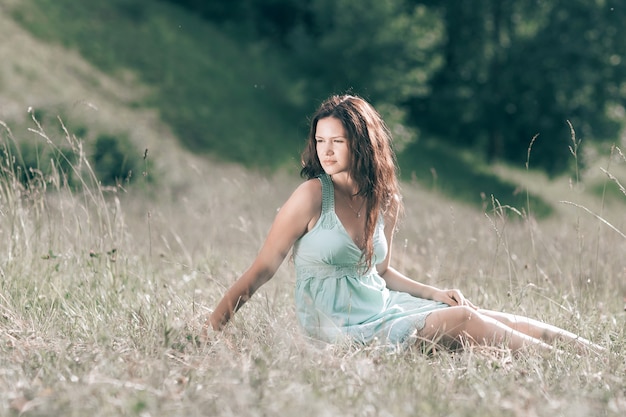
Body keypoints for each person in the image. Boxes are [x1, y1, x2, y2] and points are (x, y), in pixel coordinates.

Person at [206, 94, 603, 355]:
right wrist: (211, 330)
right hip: (339, 327)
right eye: (320, 140)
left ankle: (595, 355)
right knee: (464, 321)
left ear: (361, 143)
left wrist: (433, 292)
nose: (325, 150)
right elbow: (259, 272)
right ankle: (561, 362)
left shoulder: (384, 199)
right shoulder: (311, 195)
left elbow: (379, 271)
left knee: (481, 313)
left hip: (383, 305)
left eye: (338, 141)